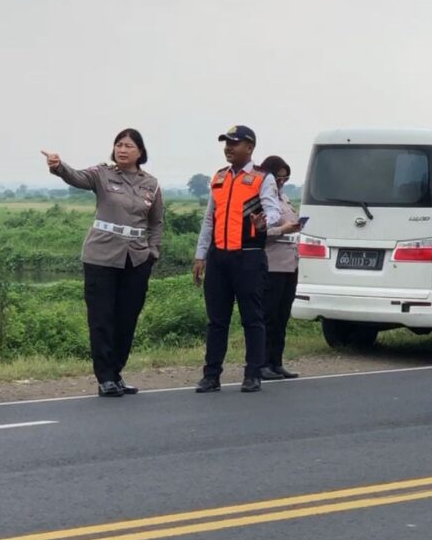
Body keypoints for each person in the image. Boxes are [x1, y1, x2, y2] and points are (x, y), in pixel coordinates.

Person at [41, 129, 163, 398]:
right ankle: (105, 378)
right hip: (101, 257)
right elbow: (76, 177)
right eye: (118, 145)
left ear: (140, 152)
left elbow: (155, 222)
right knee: (102, 319)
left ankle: (116, 373)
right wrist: (58, 166)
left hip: (137, 259)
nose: (122, 149)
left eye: (128, 146)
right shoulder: (101, 174)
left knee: (126, 319)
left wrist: (153, 251)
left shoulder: (151, 184)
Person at [192, 125, 280, 393]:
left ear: (250, 147)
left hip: (248, 257)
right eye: (226, 143)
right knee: (216, 320)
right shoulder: (218, 177)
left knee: (252, 318)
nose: (228, 148)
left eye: (235, 143)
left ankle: (253, 373)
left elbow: (273, 211)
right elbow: (210, 219)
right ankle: (211, 375)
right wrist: (200, 255)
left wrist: (263, 222)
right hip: (219, 258)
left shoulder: (262, 178)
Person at [258, 156, 300, 380]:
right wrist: (284, 229)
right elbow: (260, 234)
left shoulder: (283, 198)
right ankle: (261, 362)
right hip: (271, 263)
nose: (282, 182)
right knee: (268, 316)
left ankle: (277, 362)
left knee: (282, 316)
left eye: (286, 178)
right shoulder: (263, 200)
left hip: (290, 263)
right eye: (278, 177)